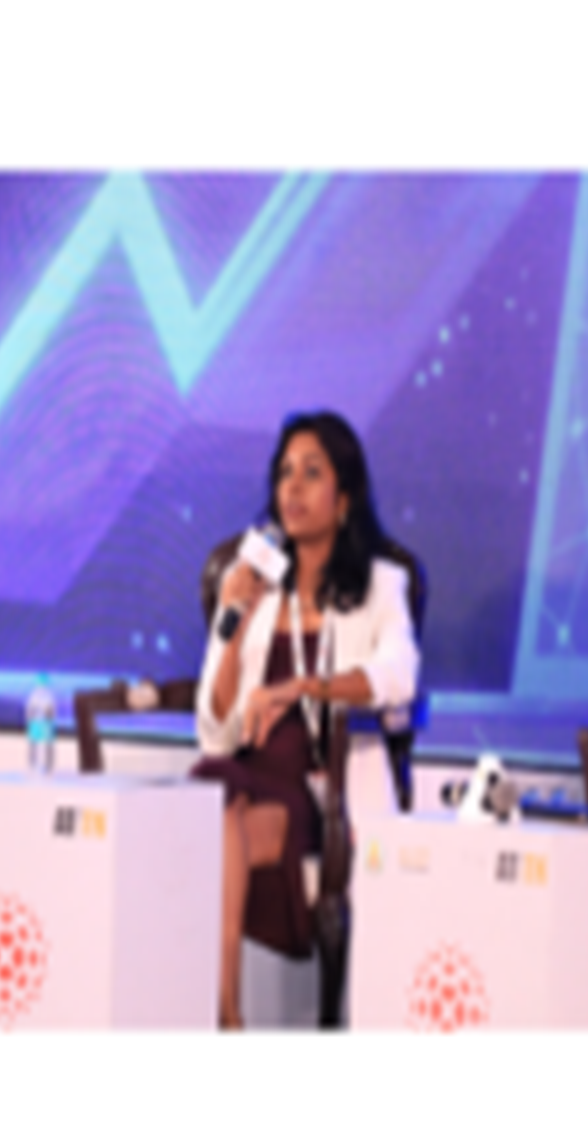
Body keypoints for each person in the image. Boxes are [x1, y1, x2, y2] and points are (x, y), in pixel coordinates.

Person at [194, 411, 420, 1029]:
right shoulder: (254, 587)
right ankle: (227, 1014)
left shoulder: (381, 585)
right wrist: (234, 623)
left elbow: (398, 677)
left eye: (311, 473)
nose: (291, 488)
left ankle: (223, 1018)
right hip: (245, 778)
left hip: (323, 792)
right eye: (284, 473)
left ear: (343, 499)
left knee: (213, 813)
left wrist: (304, 687)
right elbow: (214, 731)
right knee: (215, 791)